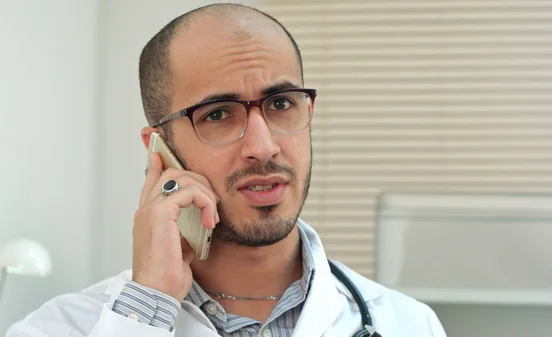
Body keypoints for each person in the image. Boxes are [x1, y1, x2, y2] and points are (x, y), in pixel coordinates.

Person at [6, 3, 447, 337]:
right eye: (218, 114)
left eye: (280, 104)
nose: (263, 146)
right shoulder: (60, 326)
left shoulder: (409, 323)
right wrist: (148, 307)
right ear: (159, 150)